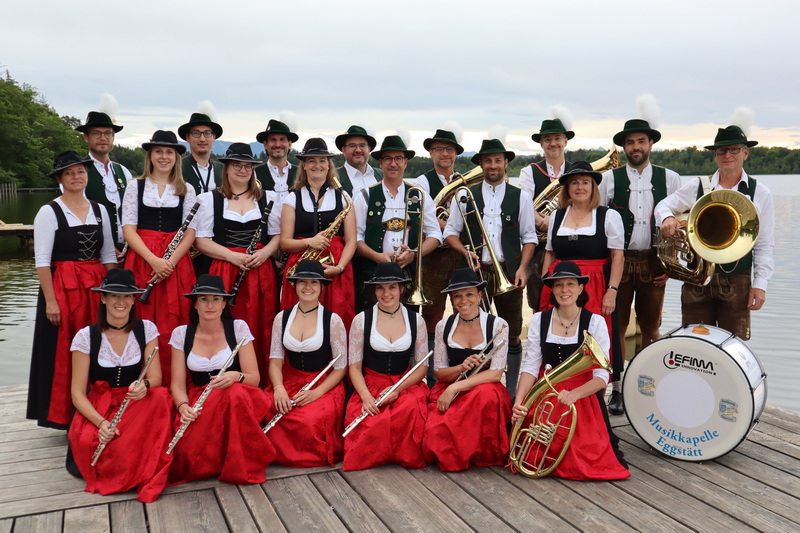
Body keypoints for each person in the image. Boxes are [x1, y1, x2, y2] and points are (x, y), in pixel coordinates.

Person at [512, 261, 630, 480]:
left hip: (581, 397)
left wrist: (575, 394)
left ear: (580, 288)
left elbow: (602, 375)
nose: (564, 290)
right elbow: (531, 366)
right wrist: (520, 402)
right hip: (546, 392)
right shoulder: (539, 319)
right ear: (552, 289)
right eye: (558, 285)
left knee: (582, 456)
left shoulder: (595, 322)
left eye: (570, 284)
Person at [655, 125, 774, 340]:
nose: (727, 155)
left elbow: (764, 244)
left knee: (734, 344)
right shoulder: (698, 186)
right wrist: (667, 218)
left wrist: (760, 285)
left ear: (745, 153)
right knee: (695, 342)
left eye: (734, 149)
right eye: (721, 150)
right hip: (696, 278)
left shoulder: (761, 192)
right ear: (715, 155)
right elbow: (663, 205)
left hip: (737, 279)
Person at [27, 151, 117, 429]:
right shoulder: (49, 212)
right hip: (63, 289)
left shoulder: (100, 210)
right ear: (59, 179)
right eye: (69, 173)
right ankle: (63, 414)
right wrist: (51, 302)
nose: (76, 177)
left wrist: (114, 292)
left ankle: (99, 410)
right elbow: (42, 261)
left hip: (95, 288)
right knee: (64, 348)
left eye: (80, 171)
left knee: (97, 344)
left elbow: (108, 255)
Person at [67, 268, 173, 503]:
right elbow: (77, 394)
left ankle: (138, 465)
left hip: (136, 402)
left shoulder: (146, 329)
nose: (121, 302)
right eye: (114, 295)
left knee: (160, 396)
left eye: (127, 296)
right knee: (102, 441)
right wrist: (101, 423)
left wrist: (145, 384)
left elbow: (156, 378)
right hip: (101, 405)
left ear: (134, 300)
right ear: (103, 298)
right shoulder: (85, 337)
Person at [599, 119, 682, 415]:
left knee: (651, 328)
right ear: (624, 147)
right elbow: (600, 220)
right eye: (630, 142)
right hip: (619, 262)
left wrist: (672, 266)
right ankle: (618, 388)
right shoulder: (609, 179)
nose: (636, 147)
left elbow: (681, 223)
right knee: (617, 328)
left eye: (641, 141)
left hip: (653, 262)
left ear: (651, 144)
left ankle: (646, 386)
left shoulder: (671, 178)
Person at [443, 139, 536, 400]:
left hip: (509, 273)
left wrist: (523, 269)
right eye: (487, 161)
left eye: (497, 160)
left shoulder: (521, 196)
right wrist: (465, 252)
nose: (493, 165)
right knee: (473, 333)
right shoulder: (465, 195)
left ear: (506, 163)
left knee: (512, 334)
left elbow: (530, 237)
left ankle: (511, 391)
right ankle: (474, 389)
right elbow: (450, 232)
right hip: (475, 272)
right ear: (481, 164)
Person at [168, 275, 274, 485]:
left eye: (216, 299)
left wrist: (236, 376)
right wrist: (183, 406)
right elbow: (177, 384)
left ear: (224, 303)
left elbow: (254, 378)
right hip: (200, 397)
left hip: (237, 399)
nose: (210, 305)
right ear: (195, 304)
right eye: (204, 299)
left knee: (234, 393)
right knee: (188, 453)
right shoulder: (181, 334)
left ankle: (238, 463)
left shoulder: (238, 328)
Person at [194, 143, 281, 386]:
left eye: (247, 166)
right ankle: (224, 381)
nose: (243, 170)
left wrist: (265, 254)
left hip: (259, 270)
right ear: (227, 168)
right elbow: (201, 241)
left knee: (262, 323)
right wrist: (232, 256)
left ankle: (258, 381)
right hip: (224, 270)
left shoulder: (268, 198)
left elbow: (277, 236)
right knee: (227, 322)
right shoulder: (209, 199)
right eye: (237, 165)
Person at [122, 130, 197, 385]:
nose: (164, 157)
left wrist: (170, 262)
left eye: (169, 152)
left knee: (175, 322)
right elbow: (129, 230)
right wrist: (153, 260)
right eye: (158, 152)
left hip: (175, 264)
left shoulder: (187, 189)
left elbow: (190, 233)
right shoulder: (135, 186)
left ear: (176, 157)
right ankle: (142, 384)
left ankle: (177, 385)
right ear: (150, 156)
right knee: (141, 321)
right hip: (142, 260)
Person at [541, 161, 624, 384]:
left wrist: (612, 291)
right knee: (559, 333)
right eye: (574, 183)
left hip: (596, 284)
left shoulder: (608, 216)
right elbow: (549, 253)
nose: (580, 187)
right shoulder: (557, 216)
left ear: (593, 187)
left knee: (597, 336)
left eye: (585, 182)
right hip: (560, 285)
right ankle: (556, 385)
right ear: (567, 188)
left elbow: (617, 256)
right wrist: (545, 281)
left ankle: (604, 390)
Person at [422, 268, 511, 471]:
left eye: (469, 294)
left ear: (479, 296)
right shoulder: (444, 326)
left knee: (486, 394)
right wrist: (461, 368)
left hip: (484, 390)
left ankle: (476, 451)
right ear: (452, 299)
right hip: (452, 388)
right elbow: (439, 373)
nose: (464, 301)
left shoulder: (498, 325)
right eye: (457, 296)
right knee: (434, 435)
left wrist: (455, 387)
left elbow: (496, 373)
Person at [343, 262, 430, 471]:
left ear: (401, 289)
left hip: (405, 384)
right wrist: (365, 396)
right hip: (371, 384)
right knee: (371, 423)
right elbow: (354, 367)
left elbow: (422, 367)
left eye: (392, 287)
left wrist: (397, 389)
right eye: (380, 288)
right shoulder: (361, 320)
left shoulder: (416, 320)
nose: (386, 293)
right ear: (374, 291)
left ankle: (401, 455)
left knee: (409, 409)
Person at [264, 260, 348, 467]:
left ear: (321, 287)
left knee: (308, 419)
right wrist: (278, 388)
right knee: (271, 408)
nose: (307, 287)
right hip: (290, 380)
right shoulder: (281, 318)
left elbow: (340, 368)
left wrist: (316, 393)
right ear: (294, 285)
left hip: (323, 385)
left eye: (314, 282)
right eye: (302, 281)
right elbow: (275, 361)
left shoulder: (333, 320)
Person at [354, 135, 443, 311]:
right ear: (380, 163)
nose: (393, 164)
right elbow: (356, 237)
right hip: (373, 274)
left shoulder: (420, 196)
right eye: (388, 158)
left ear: (406, 162)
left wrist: (414, 254)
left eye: (398, 158)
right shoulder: (364, 196)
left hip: (409, 274)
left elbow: (435, 234)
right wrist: (376, 256)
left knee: (409, 321)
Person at [279, 138, 357, 330]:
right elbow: (285, 243)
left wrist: (339, 267)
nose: (317, 165)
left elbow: (352, 241)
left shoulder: (343, 197)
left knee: (338, 318)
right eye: (311, 161)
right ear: (304, 165)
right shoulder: (292, 198)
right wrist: (309, 242)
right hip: (301, 266)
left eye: (322, 160)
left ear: (329, 165)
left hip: (335, 267)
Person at [413, 129, 468, 360]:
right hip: (434, 256)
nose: (444, 154)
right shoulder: (422, 182)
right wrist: (451, 226)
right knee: (433, 314)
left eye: (449, 149)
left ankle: (460, 359)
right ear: (431, 153)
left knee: (464, 309)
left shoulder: (464, 180)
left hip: (459, 254)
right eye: (439, 149)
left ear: (455, 153)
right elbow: (423, 217)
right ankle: (432, 367)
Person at [518, 118, 575, 312]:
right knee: (539, 302)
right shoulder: (529, 172)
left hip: (572, 245)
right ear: (541, 144)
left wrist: (555, 220)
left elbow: (586, 205)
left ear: (565, 141)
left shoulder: (577, 171)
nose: (553, 143)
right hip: (539, 249)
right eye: (548, 139)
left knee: (573, 299)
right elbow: (524, 204)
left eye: (557, 138)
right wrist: (541, 220)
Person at [76, 110, 133, 256]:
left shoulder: (123, 172)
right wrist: (107, 248)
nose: (103, 138)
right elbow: (77, 216)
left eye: (108, 133)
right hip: (92, 251)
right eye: (96, 133)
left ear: (113, 137)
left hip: (127, 251)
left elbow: (133, 214)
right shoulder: (77, 173)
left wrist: (129, 247)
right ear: (86, 137)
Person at [178, 111, 224, 195]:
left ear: (214, 137)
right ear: (187, 137)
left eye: (207, 133)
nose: (202, 139)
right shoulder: (177, 168)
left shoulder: (222, 170)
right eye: (196, 133)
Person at [255, 119, 298, 206]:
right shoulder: (254, 174)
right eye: (273, 140)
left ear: (289, 144)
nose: (278, 144)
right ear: (265, 145)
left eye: (282, 140)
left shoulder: (301, 173)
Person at [335, 125, 383, 197]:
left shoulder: (382, 175)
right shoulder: (334, 178)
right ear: (344, 150)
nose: (358, 150)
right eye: (352, 146)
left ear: (369, 149)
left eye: (362, 145)